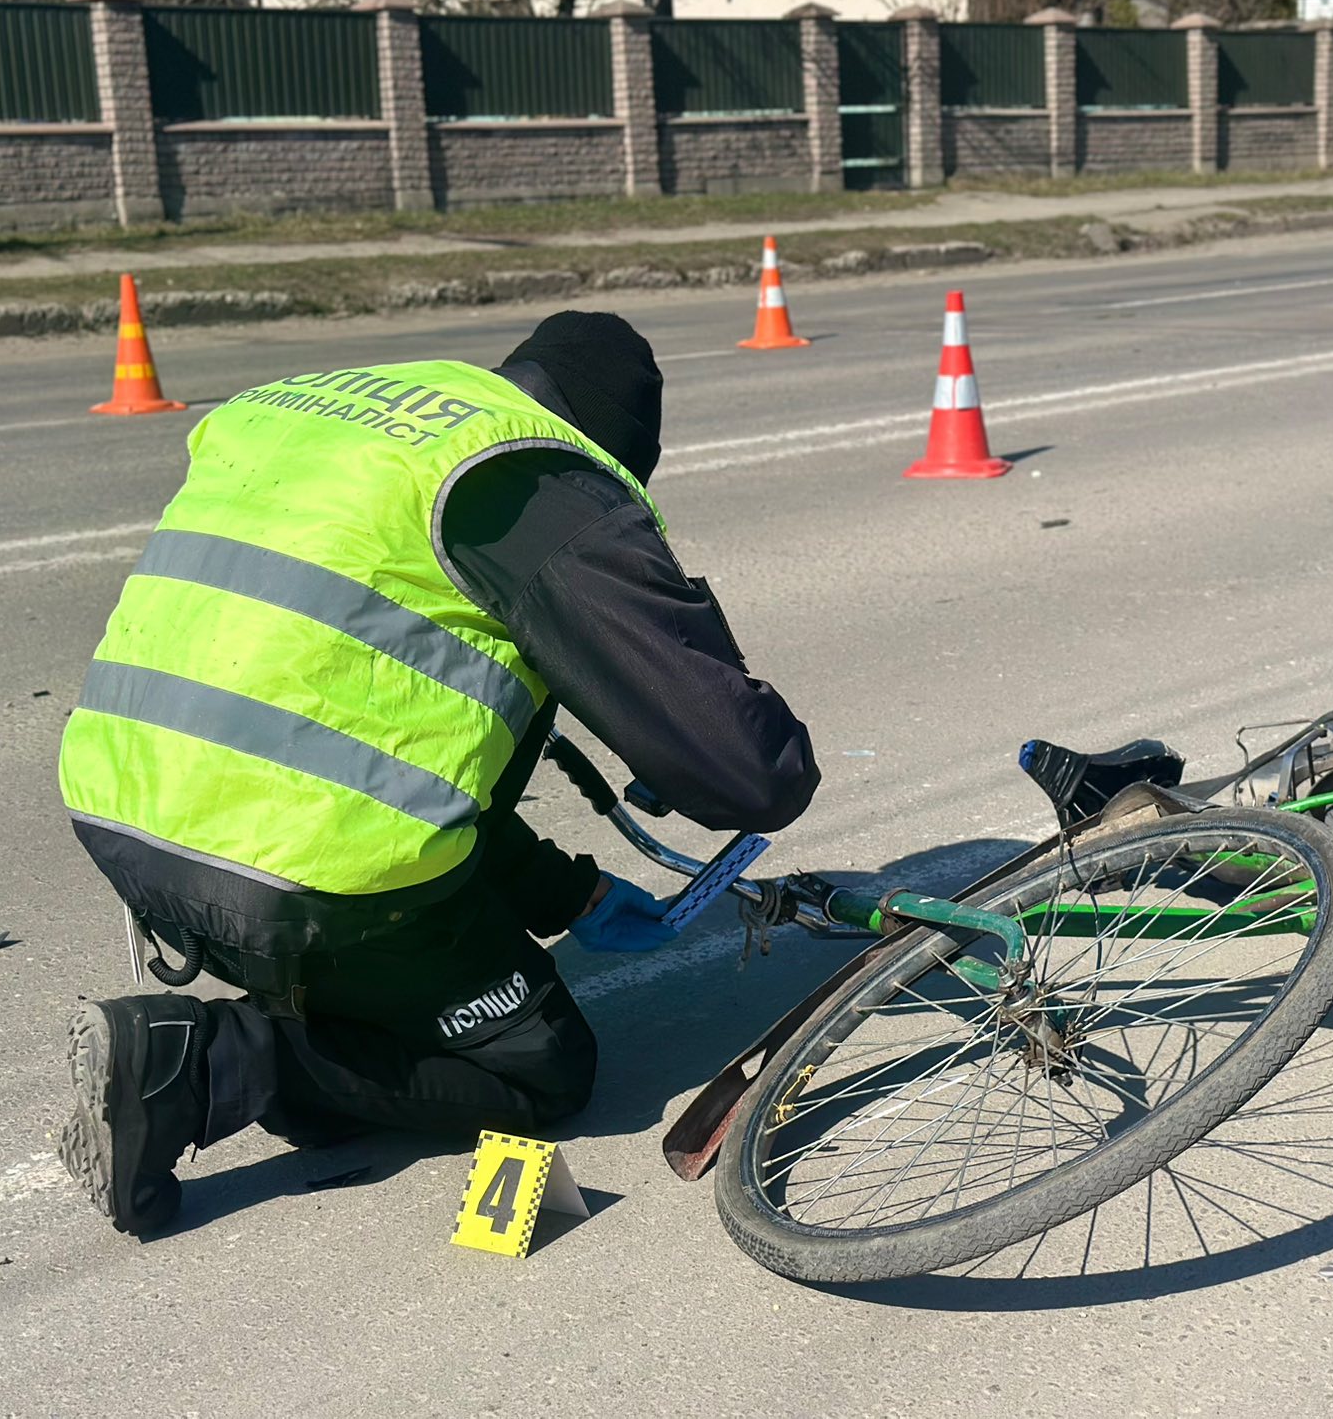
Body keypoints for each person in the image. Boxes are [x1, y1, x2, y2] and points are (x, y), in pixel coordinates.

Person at [53, 311, 818, 1235]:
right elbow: (744, 776)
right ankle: (210, 1059)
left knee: (400, 925)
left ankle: (307, 1003)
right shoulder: (539, 481)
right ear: (613, 451)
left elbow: (380, 739)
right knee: (540, 1067)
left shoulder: (369, 426)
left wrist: (566, 893)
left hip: (123, 812)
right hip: (299, 870)